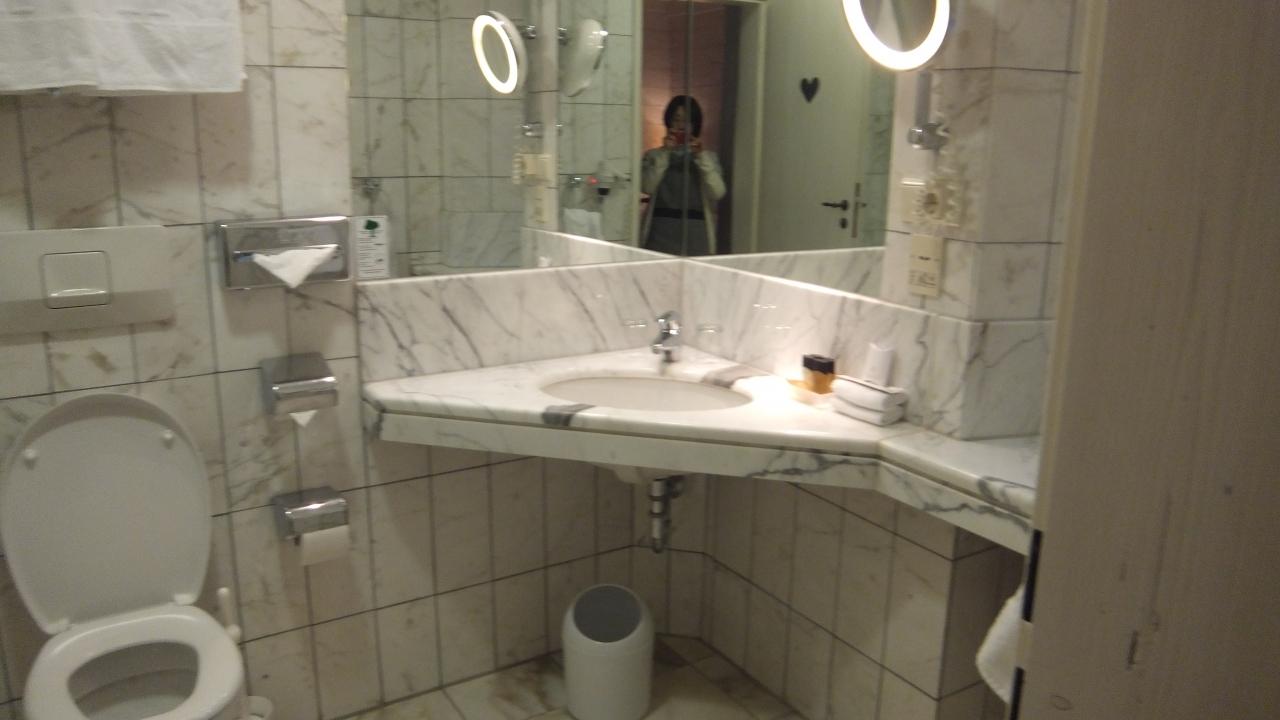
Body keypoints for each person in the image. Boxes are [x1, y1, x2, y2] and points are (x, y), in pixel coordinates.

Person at [641, 95, 726, 255]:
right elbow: (647, 187)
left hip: (696, 231)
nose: (681, 126)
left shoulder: (707, 157)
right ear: (668, 121)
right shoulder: (654, 155)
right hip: (660, 230)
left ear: (695, 124)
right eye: (676, 119)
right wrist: (665, 153)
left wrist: (700, 157)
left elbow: (718, 192)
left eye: (687, 121)